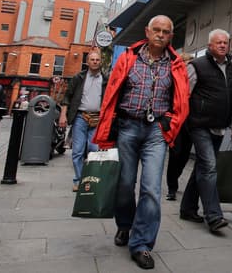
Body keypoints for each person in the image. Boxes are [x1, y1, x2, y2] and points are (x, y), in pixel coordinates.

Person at [93, 15, 189, 270]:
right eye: (156, 30)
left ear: (171, 36)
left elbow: (181, 100)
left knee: (151, 189)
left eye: (166, 31)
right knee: (124, 184)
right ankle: (125, 225)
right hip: (127, 127)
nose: (160, 34)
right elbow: (112, 92)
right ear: (147, 32)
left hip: (156, 131)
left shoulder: (176, 64)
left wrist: (169, 123)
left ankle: (142, 244)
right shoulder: (128, 58)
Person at [179, 29, 232, 233]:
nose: (223, 45)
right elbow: (183, 96)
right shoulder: (196, 66)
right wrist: (179, 122)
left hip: (219, 127)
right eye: (218, 42)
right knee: (209, 167)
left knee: (203, 167)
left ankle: (187, 208)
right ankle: (213, 216)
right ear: (210, 46)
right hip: (199, 125)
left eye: (225, 42)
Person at [59, 49, 108, 192]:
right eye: (92, 60)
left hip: (97, 118)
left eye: (97, 60)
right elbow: (67, 97)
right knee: (78, 151)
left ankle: (91, 180)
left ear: (100, 62)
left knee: (94, 151)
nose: (95, 62)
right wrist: (63, 115)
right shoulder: (78, 78)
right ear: (87, 62)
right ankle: (79, 180)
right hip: (80, 117)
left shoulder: (105, 79)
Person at [165, 52, 194, 201]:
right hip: (176, 121)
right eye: (185, 63)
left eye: (189, 64)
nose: (187, 67)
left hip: (190, 121)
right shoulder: (174, 80)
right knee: (175, 153)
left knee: (184, 155)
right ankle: (172, 187)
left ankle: (175, 177)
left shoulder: (194, 80)